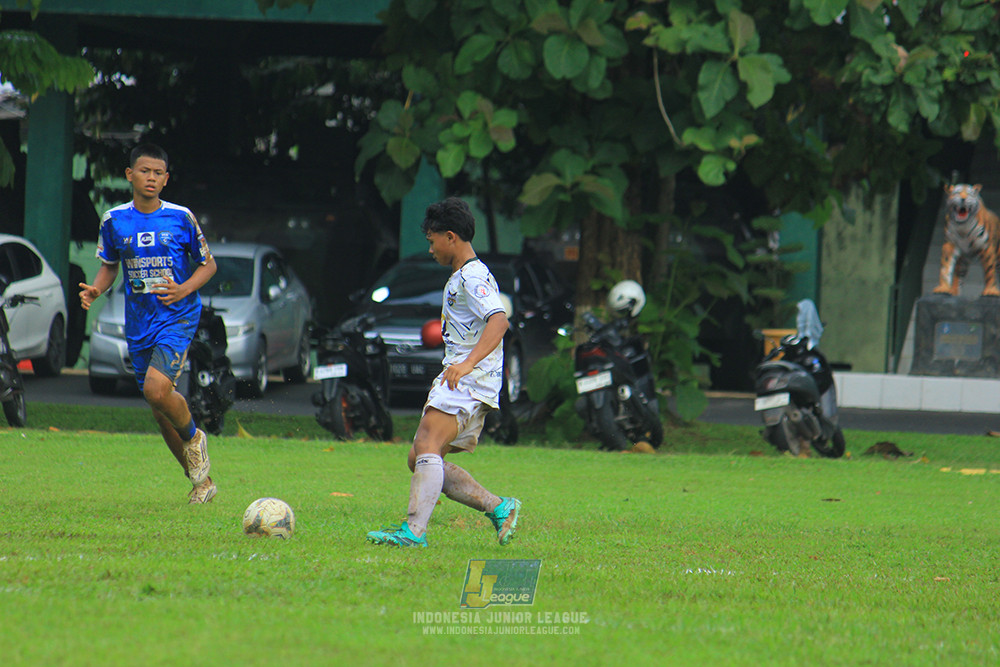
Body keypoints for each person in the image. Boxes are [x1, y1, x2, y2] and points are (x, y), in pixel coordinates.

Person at [366, 197, 521, 548]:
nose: (431, 248)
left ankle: (413, 533)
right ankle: (499, 507)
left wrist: (466, 363)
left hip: (468, 379)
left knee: (426, 445)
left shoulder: (472, 275)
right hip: (466, 378)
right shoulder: (462, 275)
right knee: (419, 457)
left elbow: (499, 322)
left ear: (450, 237)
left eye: (432, 240)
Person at [79, 143, 219, 504]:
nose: (151, 177)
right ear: (130, 175)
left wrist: (183, 289)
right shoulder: (114, 220)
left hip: (177, 316)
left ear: (166, 179)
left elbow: (208, 265)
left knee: (156, 391)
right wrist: (96, 288)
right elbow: (110, 264)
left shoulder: (180, 217)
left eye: (158, 173)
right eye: (145, 171)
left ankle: (194, 438)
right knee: (159, 411)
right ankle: (201, 483)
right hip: (139, 322)